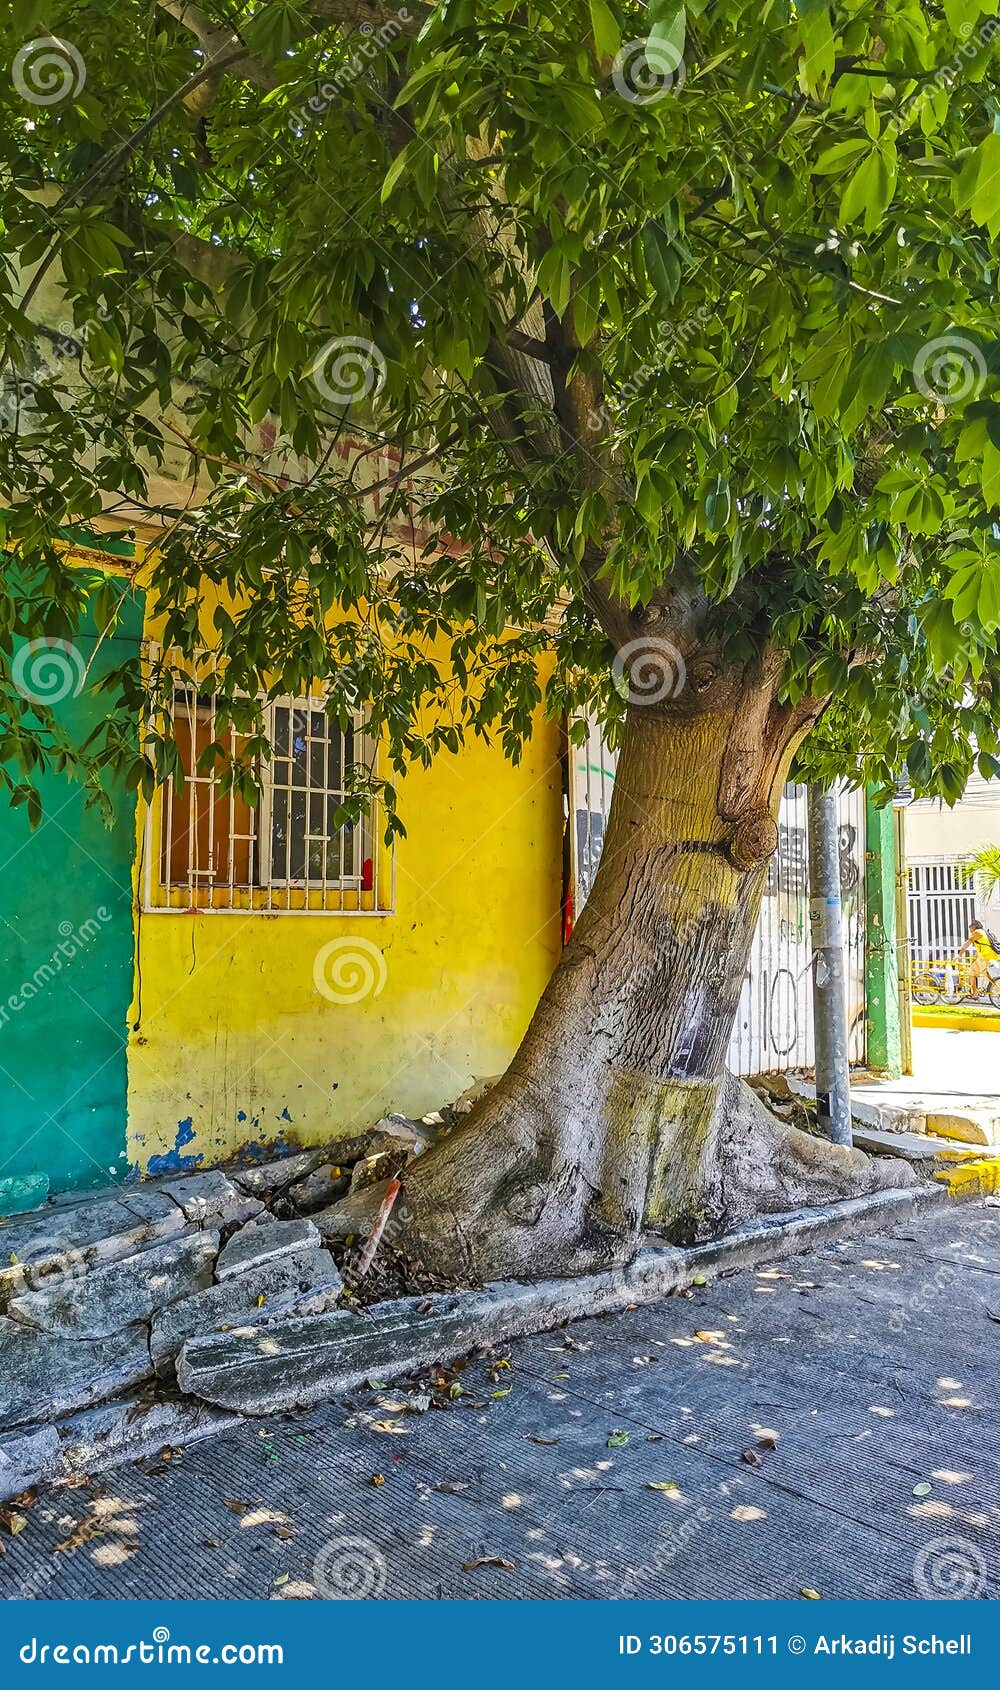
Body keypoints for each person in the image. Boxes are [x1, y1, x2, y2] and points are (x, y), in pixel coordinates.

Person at [957, 918, 1000, 999]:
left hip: (987, 957)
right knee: (982, 971)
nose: (971, 932)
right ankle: (993, 984)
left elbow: (967, 943)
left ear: (974, 927)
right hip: (992, 956)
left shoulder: (977, 932)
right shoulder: (984, 932)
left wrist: (959, 955)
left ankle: (975, 994)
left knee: (971, 973)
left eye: (971, 929)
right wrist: (974, 958)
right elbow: (982, 948)